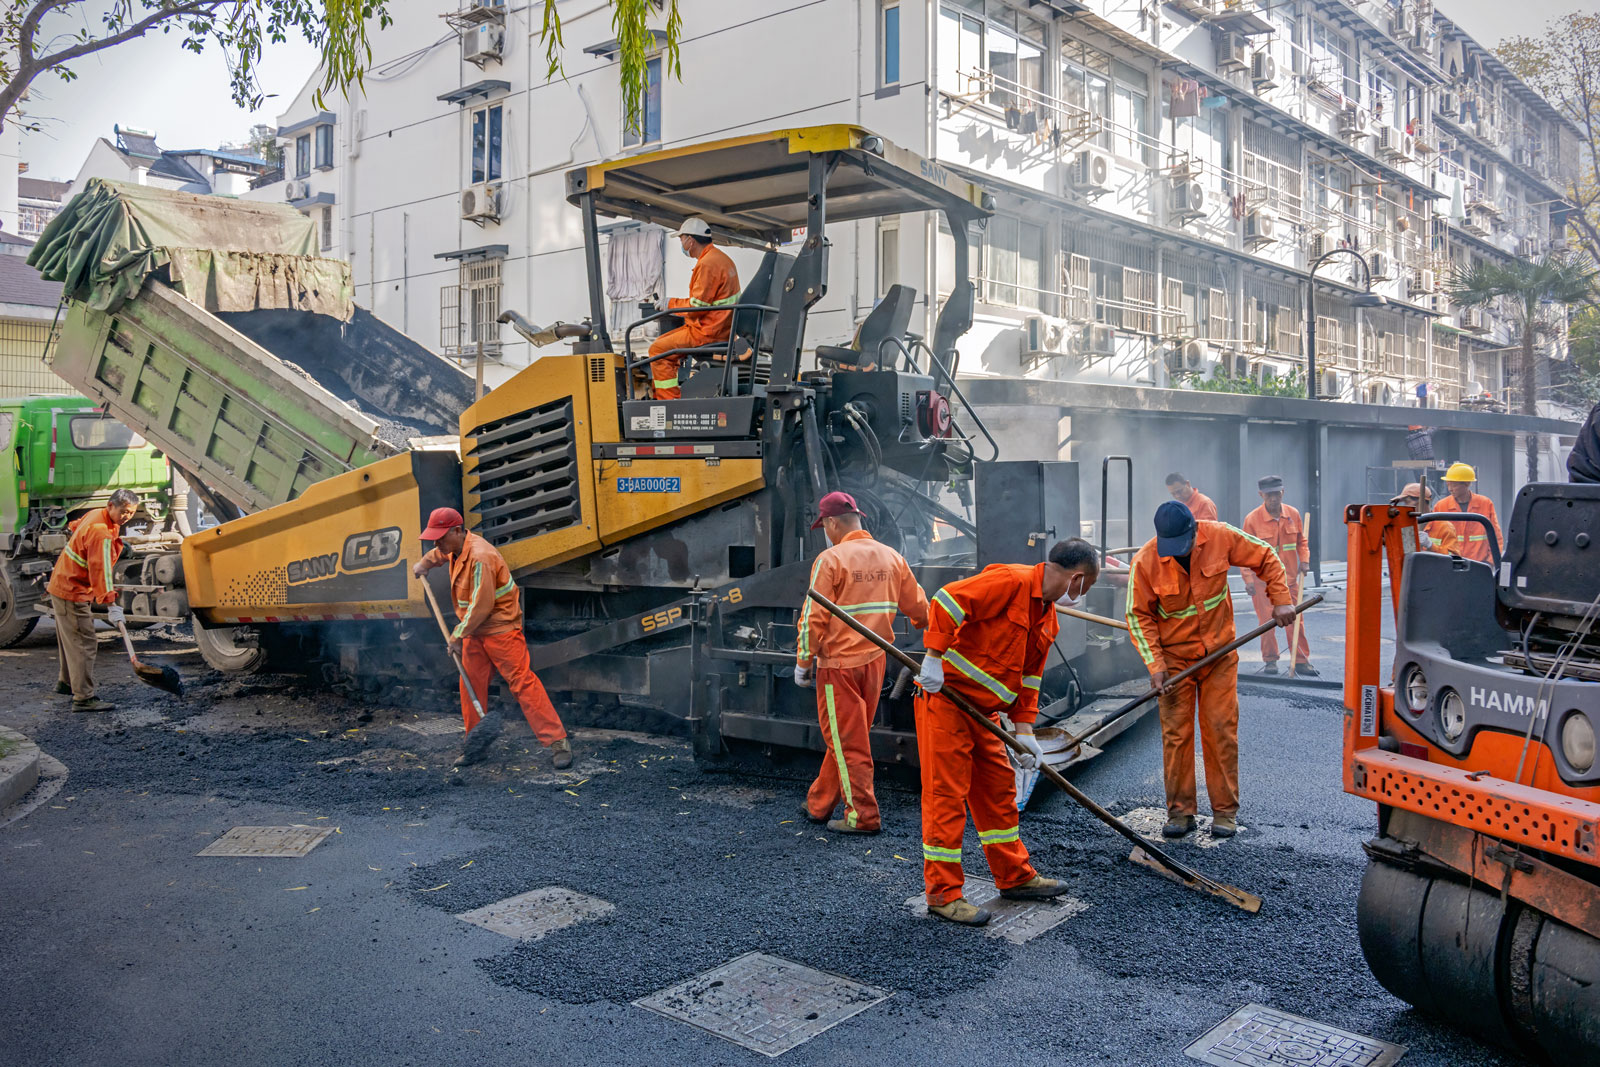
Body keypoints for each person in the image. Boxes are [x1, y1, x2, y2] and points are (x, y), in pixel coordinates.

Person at [913, 538, 1100, 926]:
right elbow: (946, 600)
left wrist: (1025, 732)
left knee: (999, 792)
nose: (1082, 595)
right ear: (1077, 578)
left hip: (985, 713)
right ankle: (943, 894)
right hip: (947, 701)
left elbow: (1029, 679)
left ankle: (1014, 876)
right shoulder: (1010, 581)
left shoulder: (1048, 619)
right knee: (946, 796)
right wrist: (933, 657)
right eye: (1087, 587)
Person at [1126, 502, 1293, 840]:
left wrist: (1281, 599)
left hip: (1219, 655)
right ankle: (1180, 812)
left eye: (1183, 544)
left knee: (1220, 731)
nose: (1178, 552)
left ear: (1195, 531)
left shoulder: (1220, 536)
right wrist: (1156, 666)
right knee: (1176, 736)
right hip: (1175, 661)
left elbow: (1266, 555)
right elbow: (1138, 616)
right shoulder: (1145, 561)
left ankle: (1225, 813)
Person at [795, 491, 929, 834]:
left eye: (824, 527)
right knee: (847, 738)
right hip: (874, 662)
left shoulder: (830, 560)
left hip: (838, 667)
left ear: (831, 523)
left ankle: (863, 817)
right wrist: (940, 639)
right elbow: (920, 608)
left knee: (848, 743)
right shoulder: (891, 556)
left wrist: (803, 661)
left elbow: (813, 618)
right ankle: (820, 803)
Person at [411, 507, 572, 769]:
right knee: (469, 684)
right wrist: (424, 564)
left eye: (439, 537)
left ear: (457, 531)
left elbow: (481, 607)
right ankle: (475, 745)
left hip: (500, 629)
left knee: (522, 683)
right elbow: (440, 553)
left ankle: (558, 742)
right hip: (474, 631)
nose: (436, 543)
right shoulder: (454, 547)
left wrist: (457, 635)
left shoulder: (480, 557)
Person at [46, 489, 139, 712]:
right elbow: (101, 572)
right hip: (72, 590)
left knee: (70, 640)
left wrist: (117, 545)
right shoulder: (101, 533)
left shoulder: (97, 515)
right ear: (110, 506)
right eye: (124, 511)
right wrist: (111, 604)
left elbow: (75, 526)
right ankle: (84, 698)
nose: (127, 516)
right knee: (84, 643)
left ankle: (66, 683)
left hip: (62, 584)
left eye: (131, 513)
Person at [643, 217, 740, 400]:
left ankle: (669, 403)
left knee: (657, 350)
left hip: (708, 331)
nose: (681, 243)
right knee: (663, 343)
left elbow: (697, 307)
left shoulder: (707, 263)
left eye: (681, 239)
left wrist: (669, 304)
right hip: (721, 328)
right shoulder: (721, 259)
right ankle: (673, 394)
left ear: (690, 240)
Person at [1240, 476, 1315, 677]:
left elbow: (1301, 542)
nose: (1273, 498)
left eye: (1276, 493)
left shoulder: (1293, 514)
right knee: (1267, 623)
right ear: (1261, 495)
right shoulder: (1252, 520)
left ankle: (1301, 661)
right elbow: (1243, 552)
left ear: (1283, 492)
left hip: (1289, 581)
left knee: (1296, 620)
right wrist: (1248, 579)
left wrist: (1304, 560)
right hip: (1263, 583)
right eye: (1268, 495)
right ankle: (1270, 660)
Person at [1433, 462, 1501, 564]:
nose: (1450, 489)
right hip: (1450, 565)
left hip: (1479, 565)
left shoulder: (1485, 504)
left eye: (1454, 485)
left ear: (1467, 484)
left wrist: (1490, 562)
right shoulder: (1441, 506)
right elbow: (1434, 538)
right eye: (1448, 484)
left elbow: (1496, 537)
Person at [1391, 482, 1458, 554]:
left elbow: (1453, 556)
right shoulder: (1405, 526)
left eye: (1407, 502)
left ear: (1421, 502)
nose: (1405, 506)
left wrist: (1430, 545)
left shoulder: (1445, 527)